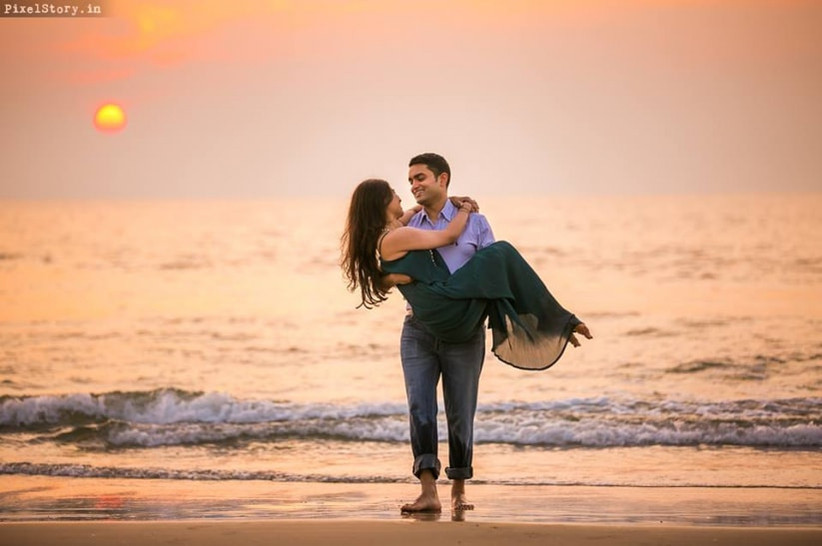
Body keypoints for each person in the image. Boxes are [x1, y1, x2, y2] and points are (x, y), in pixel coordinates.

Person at [340, 155, 591, 514]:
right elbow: (440, 237)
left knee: (461, 412)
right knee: (420, 409)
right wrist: (464, 207)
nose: (412, 187)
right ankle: (429, 491)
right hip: (420, 329)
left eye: (419, 178)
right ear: (383, 203)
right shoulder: (417, 228)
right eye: (407, 183)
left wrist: (464, 212)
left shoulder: (469, 224)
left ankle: (458, 490)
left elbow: (494, 276)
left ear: (442, 179)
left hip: (465, 323)